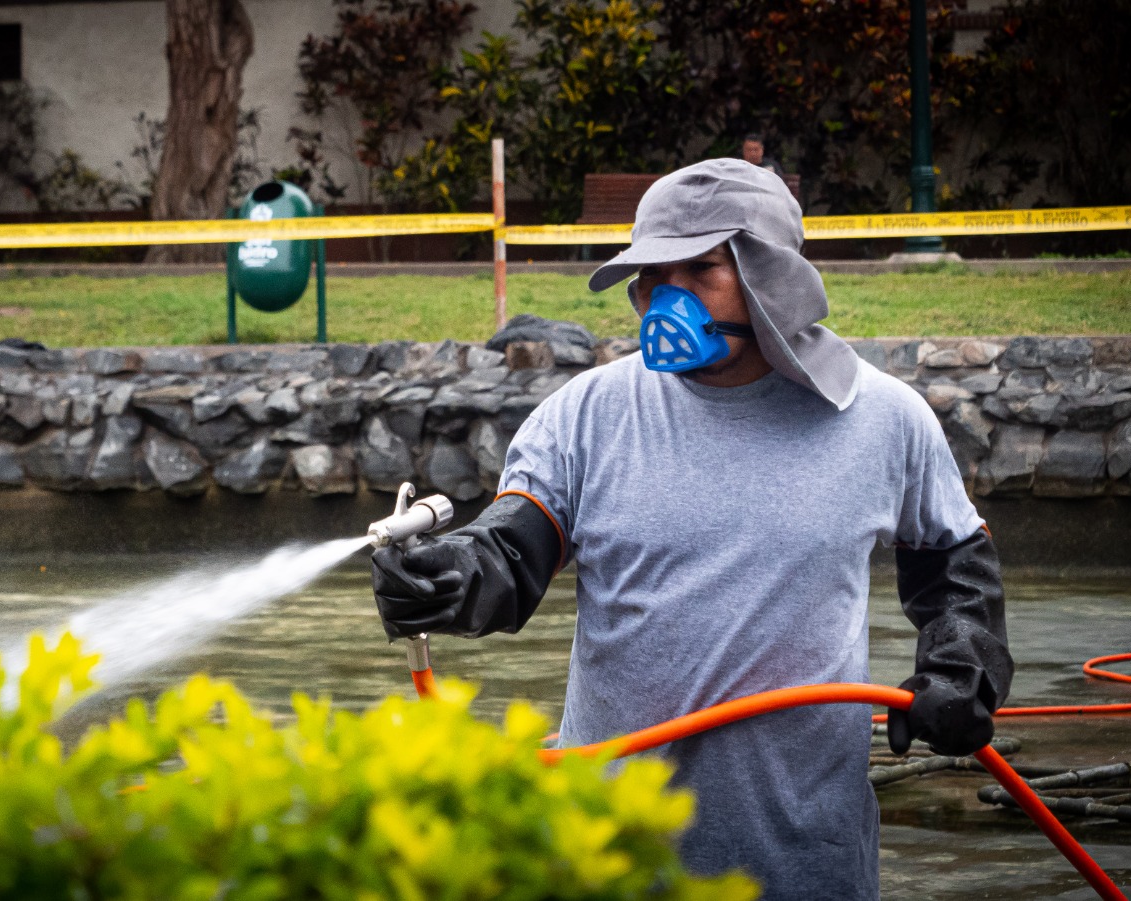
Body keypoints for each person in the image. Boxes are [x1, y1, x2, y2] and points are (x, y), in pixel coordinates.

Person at [370, 159, 1011, 899]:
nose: (664, 299)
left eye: (701, 270)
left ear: (774, 278)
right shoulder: (586, 415)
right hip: (609, 857)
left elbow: (956, 564)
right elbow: (514, 549)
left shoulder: (882, 419)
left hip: (807, 859)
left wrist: (963, 669)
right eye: (651, 275)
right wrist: (454, 572)